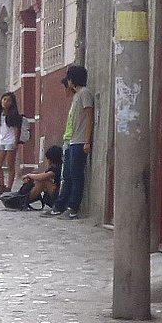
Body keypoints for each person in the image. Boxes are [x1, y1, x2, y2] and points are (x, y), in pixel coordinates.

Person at [51, 64, 94, 219]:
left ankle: (73, 207)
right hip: (72, 140)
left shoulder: (84, 93)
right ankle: (61, 206)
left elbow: (89, 117)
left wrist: (87, 141)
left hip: (80, 141)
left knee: (76, 175)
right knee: (68, 175)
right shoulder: (77, 95)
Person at [2, 144, 63, 209]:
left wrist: (29, 175)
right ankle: (23, 199)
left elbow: (41, 177)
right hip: (54, 194)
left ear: (50, 159)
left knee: (42, 182)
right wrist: (31, 178)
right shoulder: (54, 168)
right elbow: (40, 175)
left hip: (57, 196)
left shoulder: (56, 169)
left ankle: (23, 201)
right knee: (38, 181)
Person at [0, 92, 24, 195]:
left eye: (8, 100)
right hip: (2, 141)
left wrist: (16, 142)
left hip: (11, 141)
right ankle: (1, 185)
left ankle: (9, 187)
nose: (5, 102)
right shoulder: (1, 114)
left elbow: (17, 130)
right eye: (4, 99)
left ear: (12, 103)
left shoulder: (14, 115)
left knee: (10, 165)